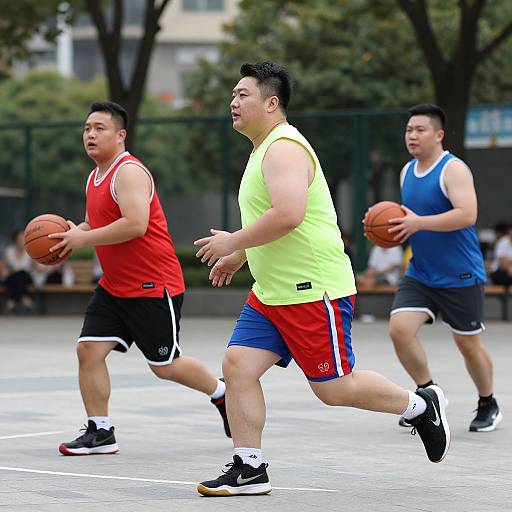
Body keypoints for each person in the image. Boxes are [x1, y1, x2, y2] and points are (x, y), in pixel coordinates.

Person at [193, 62, 449, 497]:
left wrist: (234, 239)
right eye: (233, 96)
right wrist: (240, 253)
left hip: (312, 289)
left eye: (243, 95)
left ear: (272, 103)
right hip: (272, 292)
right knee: (237, 365)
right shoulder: (262, 149)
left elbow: (289, 215)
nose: (233, 103)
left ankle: (420, 406)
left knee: (333, 389)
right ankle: (249, 466)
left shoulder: (284, 148)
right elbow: (274, 219)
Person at [49, 101, 230, 456]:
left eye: (99, 128)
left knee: (165, 365)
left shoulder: (129, 172)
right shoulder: (94, 176)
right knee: (88, 350)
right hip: (115, 287)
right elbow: (95, 223)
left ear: (120, 135)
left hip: (152, 284)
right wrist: (74, 232)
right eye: (87, 128)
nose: (90, 134)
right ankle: (100, 432)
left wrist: (84, 239)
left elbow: (135, 224)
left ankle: (221, 393)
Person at [387, 103, 502, 432]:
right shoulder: (406, 171)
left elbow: (467, 214)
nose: (412, 135)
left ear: (438, 135)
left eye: (420, 130)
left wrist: (417, 223)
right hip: (421, 272)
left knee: (467, 343)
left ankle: (488, 401)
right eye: (409, 130)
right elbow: (409, 219)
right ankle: (430, 394)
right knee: (399, 330)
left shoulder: (454, 169)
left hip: (460, 273)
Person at [0, 229, 34, 314]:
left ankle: (11, 302)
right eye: (20, 240)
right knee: (16, 276)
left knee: (20, 274)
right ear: (15, 241)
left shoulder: (30, 252)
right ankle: (25, 300)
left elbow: (36, 267)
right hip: (12, 278)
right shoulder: (9, 252)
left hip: (26, 278)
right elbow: (3, 267)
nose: (22, 242)